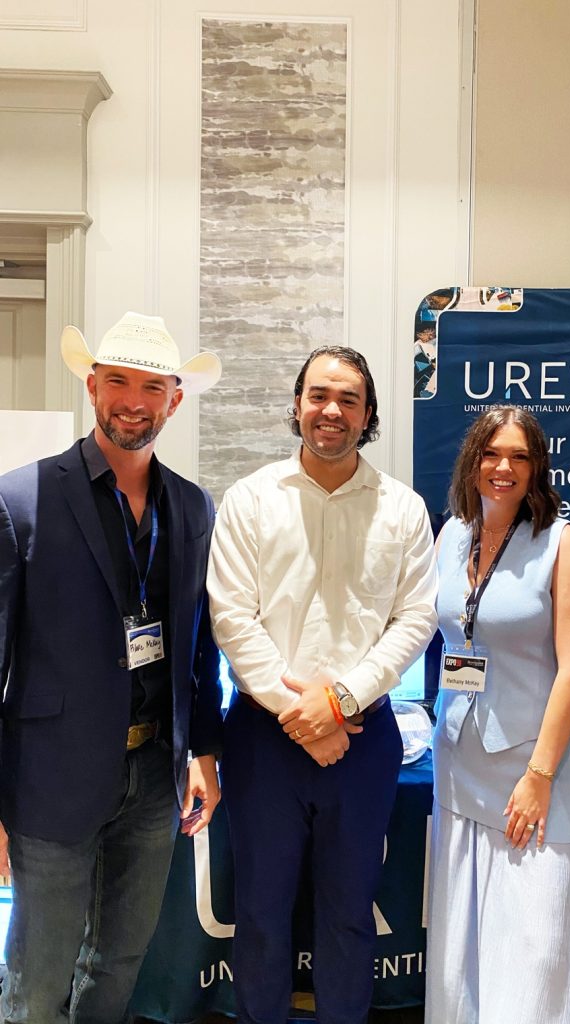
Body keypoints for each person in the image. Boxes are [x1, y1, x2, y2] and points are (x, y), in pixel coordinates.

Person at [0, 311, 223, 1024]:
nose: (134, 401)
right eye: (118, 381)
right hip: (50, 777)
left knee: (120, 962)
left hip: (155, 776)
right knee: (38, 982)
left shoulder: (192, 506)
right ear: (92, 386)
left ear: (174, 401)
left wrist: (202, 749)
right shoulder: (21, 500)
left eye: (152, 387)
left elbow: (199, 644)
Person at [206, 345, 438, 1024]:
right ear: (298, 404)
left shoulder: (402, 508)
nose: (331, 411)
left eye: (348, 399)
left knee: (349, 914)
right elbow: (232, 617)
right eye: (318, 395)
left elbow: (415, 618)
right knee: (260, 913)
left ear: (367, 415)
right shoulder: (250, 499)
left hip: (362, 737)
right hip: (262, 739)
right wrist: (299, 713)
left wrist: (338, 702)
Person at [426, 406, 570, 1024]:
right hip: (458, 764)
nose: (503, 467)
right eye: (492, 453)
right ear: (472, 461)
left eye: (519, 456)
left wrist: (539, 777)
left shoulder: (560, 544)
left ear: (537, 468)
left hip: (531, 773)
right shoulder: (452, 535)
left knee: (533, 952)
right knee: (463, 956)